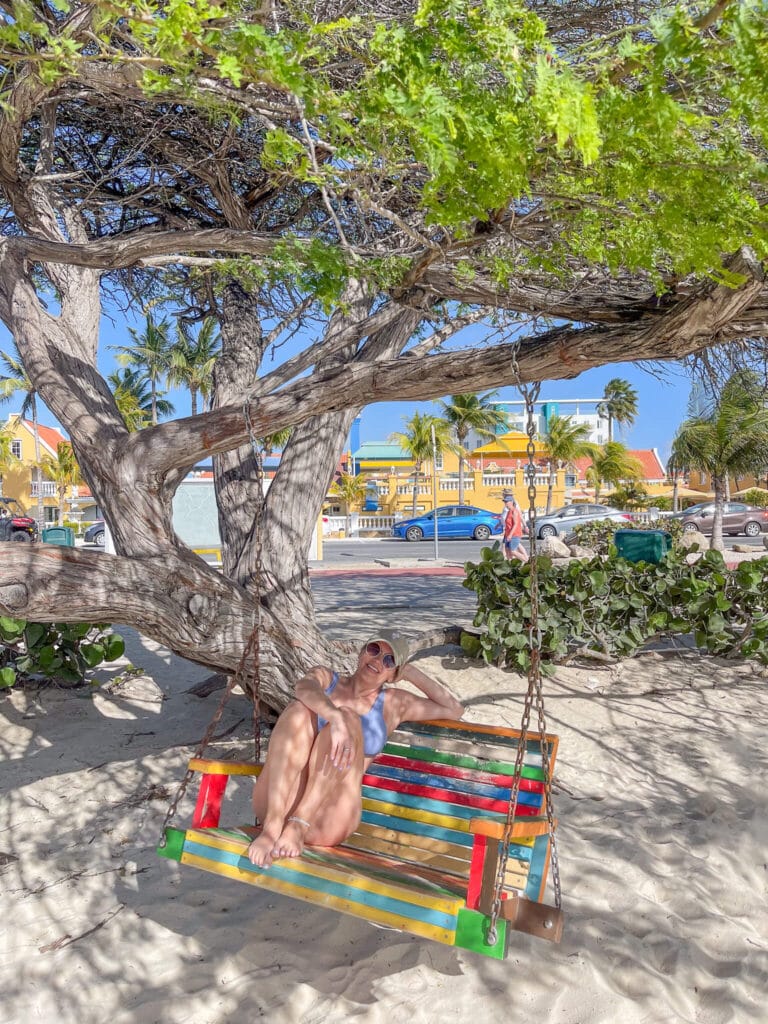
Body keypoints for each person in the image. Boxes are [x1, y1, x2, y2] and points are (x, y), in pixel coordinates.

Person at [246, 630, 463, 868]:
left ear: (394, 672)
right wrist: (334, 718)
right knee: (300, 710)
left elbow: (454, 709)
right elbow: (303, 688)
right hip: (277, 806)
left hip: (329, 817)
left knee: (350, 717)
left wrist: (408, 671)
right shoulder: (326, 678)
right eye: (374, 650)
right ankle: (272, 828)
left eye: (389, 660)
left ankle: (299, 824)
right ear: (362, 652)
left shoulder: (394, 704)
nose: (378, 660)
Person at [502, 493, 529, 564]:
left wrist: (510, 535)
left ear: (511, 502)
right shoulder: (508, 512)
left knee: (513, 551)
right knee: (507, 551)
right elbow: (507, 523)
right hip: (507, 535)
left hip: (515, 534)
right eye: (505, 502)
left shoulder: (515, 511)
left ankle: (527, 561)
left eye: (506, 502)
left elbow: (515, 524)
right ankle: (511, 566)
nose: (505, 503)